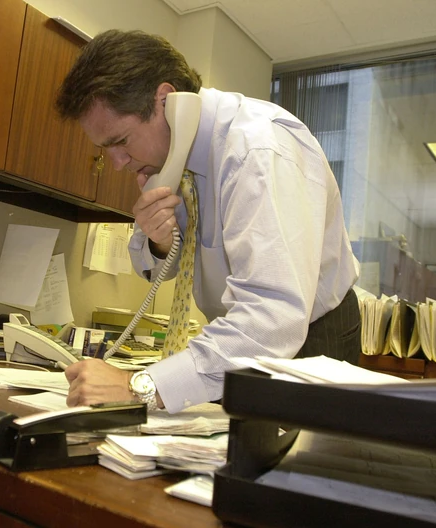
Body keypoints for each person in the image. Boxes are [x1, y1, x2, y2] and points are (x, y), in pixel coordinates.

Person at [55, 30, 360, 413]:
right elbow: (157, 269)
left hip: (307, 340)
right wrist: (160, 241)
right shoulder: (173, 155)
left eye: (120, 141)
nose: (117, 163)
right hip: (237, 342)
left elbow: (272, 316)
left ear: (164, 101)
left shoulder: (257, 150)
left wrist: (140, 386)